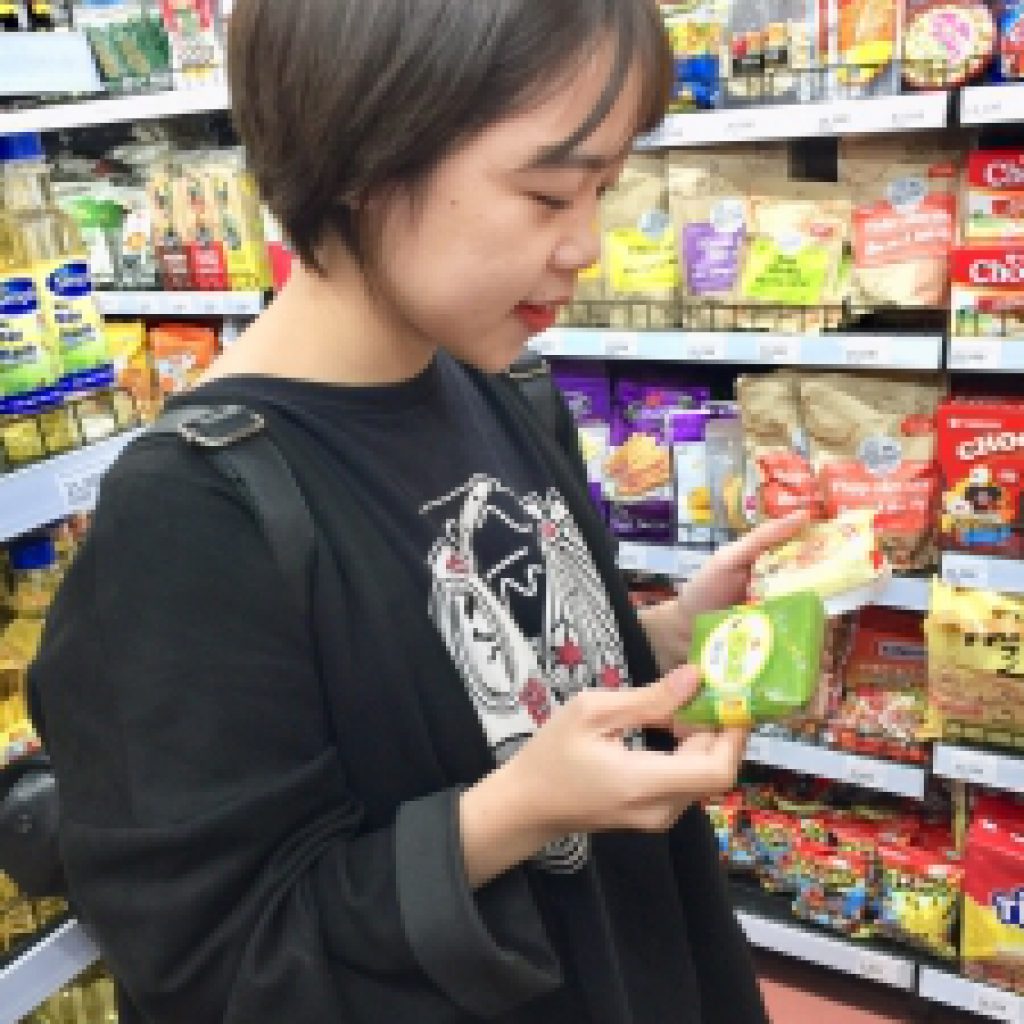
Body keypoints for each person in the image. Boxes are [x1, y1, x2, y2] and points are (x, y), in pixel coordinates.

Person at [30, 1, 808, 1021]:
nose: (587, 245)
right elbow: (219, 960)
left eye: (605, 190)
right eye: (548, 194)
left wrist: (657, 639)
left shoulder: (499, 388)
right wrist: (508, 815)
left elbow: (460, 686)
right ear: (363, 152)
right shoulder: (192, 516)